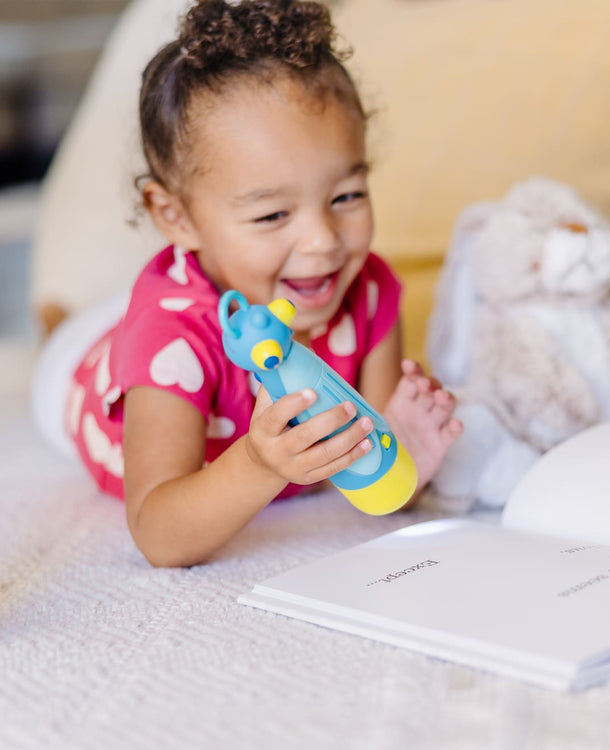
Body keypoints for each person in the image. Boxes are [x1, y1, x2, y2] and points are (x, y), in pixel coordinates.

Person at [32, 0, 462, 568]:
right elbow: (159, 532)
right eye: (271, 216)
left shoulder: (369, 289)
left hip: (217, 292)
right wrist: (257, 464)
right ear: (175, 217)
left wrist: (411, 456)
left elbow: (371, 473)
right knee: (76, 341)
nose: (323, 242)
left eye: (346, 197)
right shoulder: (169, 342)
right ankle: (61, 325)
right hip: (87, 372)